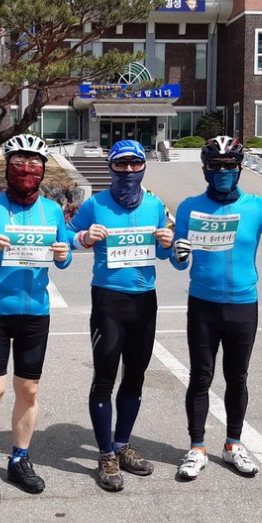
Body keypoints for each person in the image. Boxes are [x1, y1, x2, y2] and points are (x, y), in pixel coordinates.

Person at [170, 135, 262, 480]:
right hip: (203, 305)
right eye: (215, 165)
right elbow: (178, 259)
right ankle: (197, 448)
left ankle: (233, 444)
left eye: (229, 165)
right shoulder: (189, 207)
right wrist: (179, 253)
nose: (222, 171)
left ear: (239, 168)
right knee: (200, 377)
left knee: (237, 377)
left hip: (242, 306)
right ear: (205, 169)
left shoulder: (257, 206)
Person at [0, 133, 73, 509]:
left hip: (35, 312)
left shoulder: (52, 210)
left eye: (34, 164)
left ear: (43, 171)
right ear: (7, 168)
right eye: (19, 163)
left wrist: (63, 254)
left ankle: (19, 459)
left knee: (29, 390)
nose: (27, 170)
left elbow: (64, 256)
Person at [67, 139, 173, 492]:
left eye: (134, 164)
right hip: (108, 300)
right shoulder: (95, 204)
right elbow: (66, 235)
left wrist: (167, 242)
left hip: (145, 301)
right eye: (121, 164)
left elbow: (164, 253)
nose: (128, 170)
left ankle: (122, 444)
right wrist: (84, 237)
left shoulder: (155, 205)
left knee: (136, 376)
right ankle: (105, 454)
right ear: (110, 167)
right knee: (104, 378)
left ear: (143, 166)